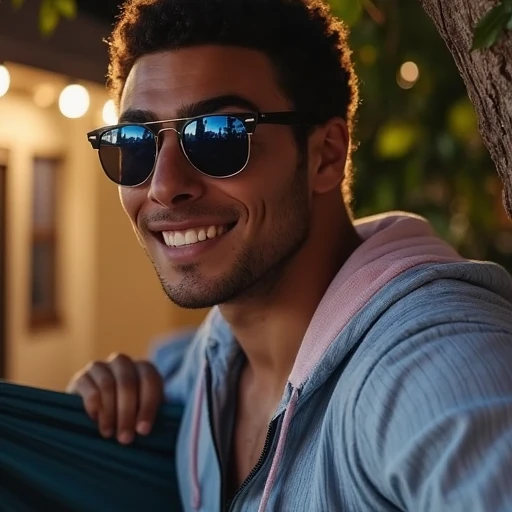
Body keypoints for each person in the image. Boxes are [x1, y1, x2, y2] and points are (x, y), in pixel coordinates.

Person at [68, 0, 512, 510]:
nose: (165, 186)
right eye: (136, 143)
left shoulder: (430, 360)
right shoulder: (206, 365)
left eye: (219, 136)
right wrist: (99, 404)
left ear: (325, 155)